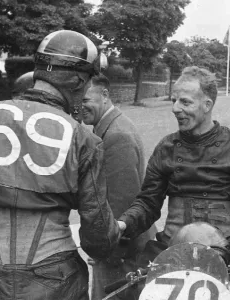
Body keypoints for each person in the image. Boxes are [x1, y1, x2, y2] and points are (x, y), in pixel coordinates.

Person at [0, 30, 120, 300]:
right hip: (57, 282)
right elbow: (98, 237)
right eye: (85, 85)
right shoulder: (84, 139)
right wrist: (114, 232)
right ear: (77, 80)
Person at [117, 66, 230, 298]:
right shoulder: (166, 148)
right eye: (174, 101)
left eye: (185, 102)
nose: (175, 109)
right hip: (170, 250)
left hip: (225, 252)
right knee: (130, 292)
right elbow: (147, 203)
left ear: (207, 104)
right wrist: (122, 225)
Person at [82, 74, 157, 300]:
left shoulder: (116, 135)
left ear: (104, 95)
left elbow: (122, 204)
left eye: (86, 100)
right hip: (122, 251)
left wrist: (108, 252)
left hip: (123, 255)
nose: (80, 106)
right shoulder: (109, 127)